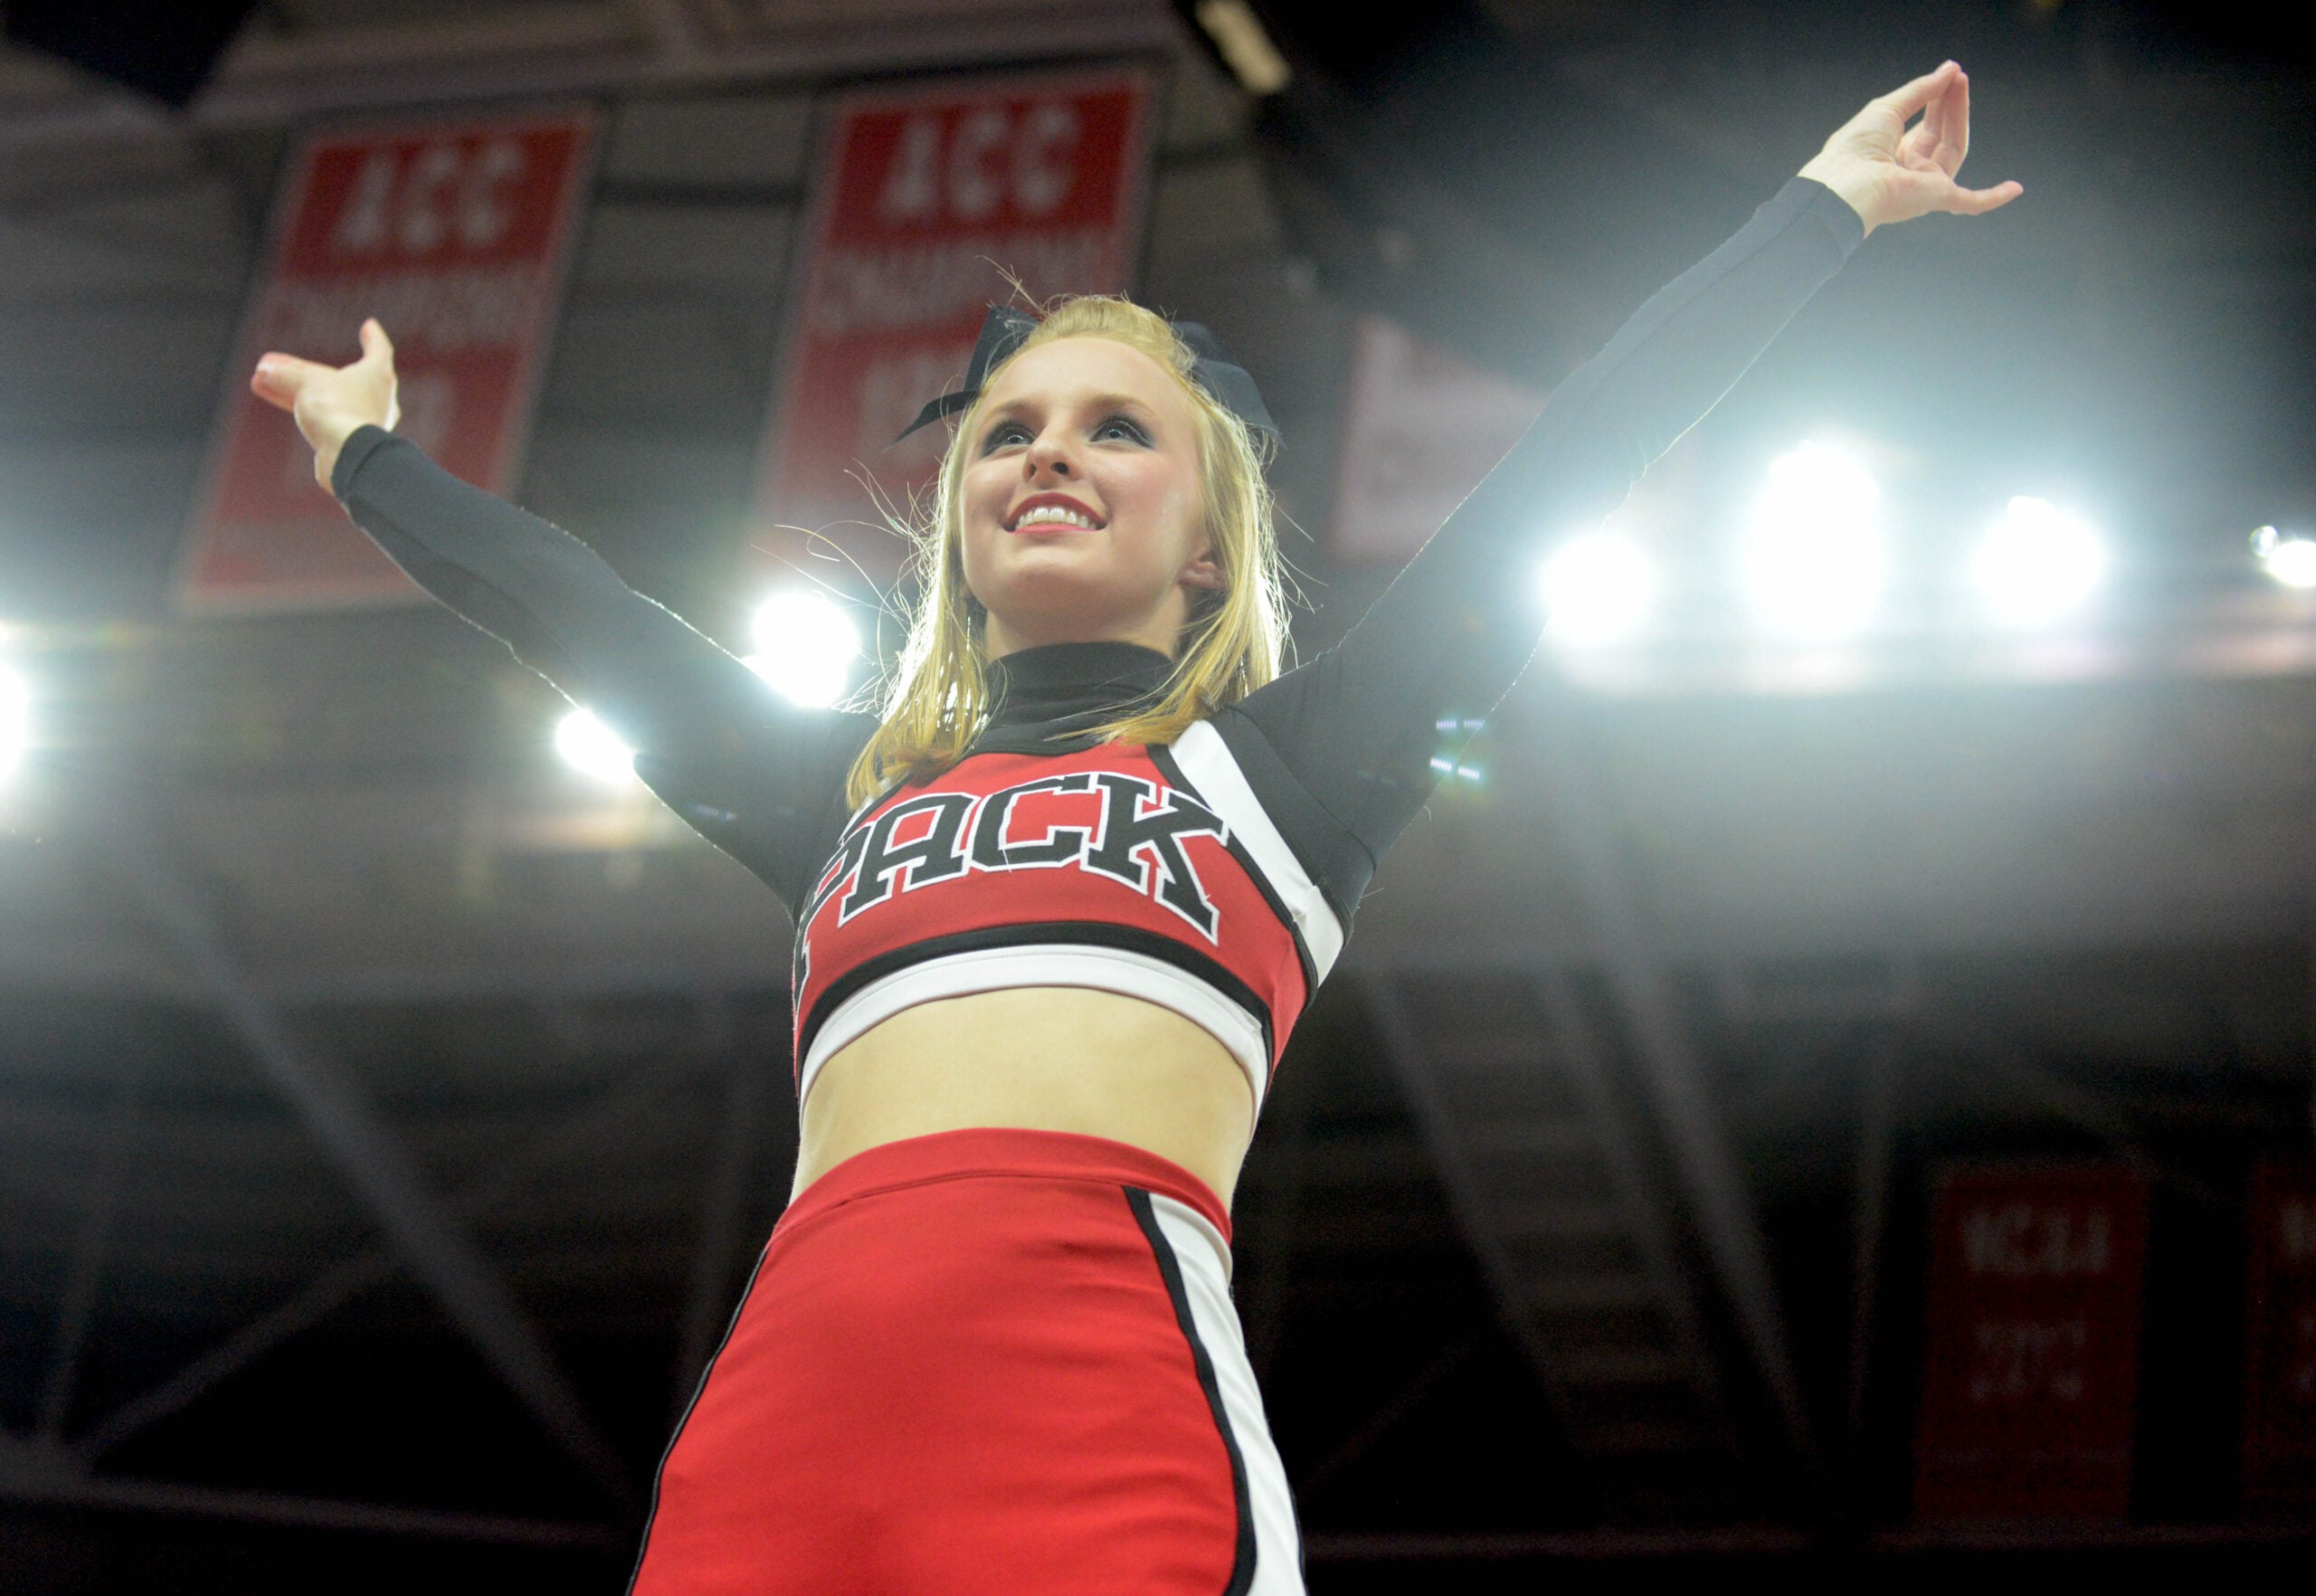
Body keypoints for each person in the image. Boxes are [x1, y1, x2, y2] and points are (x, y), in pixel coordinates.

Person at [252, 60, 2017, 1596]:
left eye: (1115, 428)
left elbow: (1569, 463)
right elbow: (582, 619)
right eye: (1006, 431)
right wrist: (365, 457)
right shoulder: (847, 796)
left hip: (1093, 1412)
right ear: (952, 527)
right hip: (779, 1421)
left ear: (1204, 550)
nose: (1047, 452)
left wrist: (1819, 209)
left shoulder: (1286, 778)